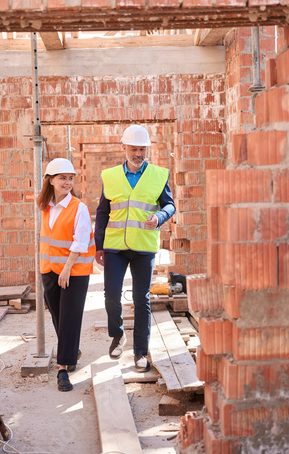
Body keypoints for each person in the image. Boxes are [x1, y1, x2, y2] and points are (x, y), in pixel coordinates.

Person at [94, 125, 175, 372]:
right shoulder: (110, 176)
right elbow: (102, 212)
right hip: (116, 246)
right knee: (111, 295)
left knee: (142, 299)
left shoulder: (159, 175)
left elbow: (170, 206)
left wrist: (160, 217)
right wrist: (99, 245)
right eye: (134, 148)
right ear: (124, 148)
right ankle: (118, 335)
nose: (138, 153)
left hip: (143, 246)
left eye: (142, 149)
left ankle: (140, 352)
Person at [37, 158, 95, 391]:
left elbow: (80, 242)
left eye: (70, 178)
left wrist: (67, 269)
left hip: (74, 271)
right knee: (59, 318)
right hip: (49, 269)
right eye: (62, 178)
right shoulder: (45, 206)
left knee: (69, 318)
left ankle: (63, 369)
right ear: (50, 180)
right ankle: (71, 350)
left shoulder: (78, 207)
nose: (68, 182)